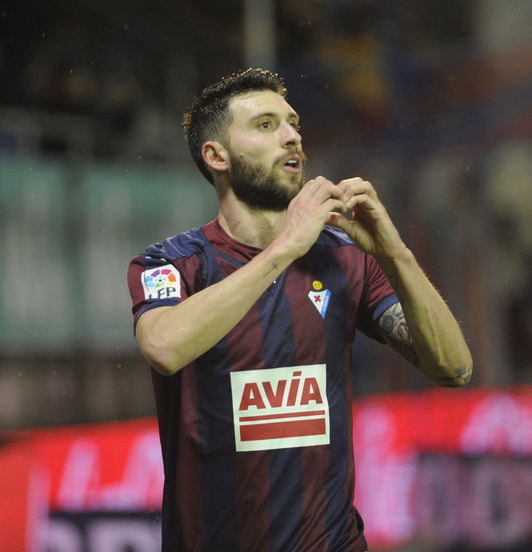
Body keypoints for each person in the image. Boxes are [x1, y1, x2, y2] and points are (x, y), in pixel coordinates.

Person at [127, 68, 472, 552]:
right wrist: (284, 248)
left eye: (292, 123)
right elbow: (163, 347)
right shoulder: (171, 263)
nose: (292, 137)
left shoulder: (344, 258)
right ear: (216, 155)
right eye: (266, 125)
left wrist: (396, 255)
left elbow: (454, 367)